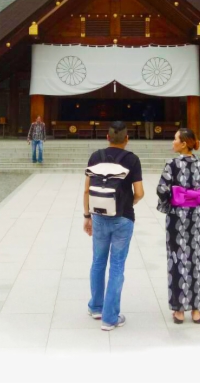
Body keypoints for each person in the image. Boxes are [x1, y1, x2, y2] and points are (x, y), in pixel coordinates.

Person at [84, 121, 144, 331]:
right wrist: (131, 202)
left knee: (98, 261)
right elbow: (140, 192)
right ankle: (110, 318)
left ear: (107, 137)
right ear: (127, 139)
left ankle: (96, 307)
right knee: (117, 265)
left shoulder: (95, 156)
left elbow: (87, 190)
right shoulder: (132, 160)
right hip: (123, 218)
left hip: (99, 217)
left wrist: (87, 216)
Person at [156, 128, 200, 324]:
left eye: (175, 139)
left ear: (184, 143)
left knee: (177, 258)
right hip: (197, 216)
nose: (173, 142)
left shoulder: (172, 164)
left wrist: (172, 201)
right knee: (196, 258)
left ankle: (179, 308)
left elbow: (162, 190)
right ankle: (196, 308)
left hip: (177, 217)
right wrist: (194, 197)